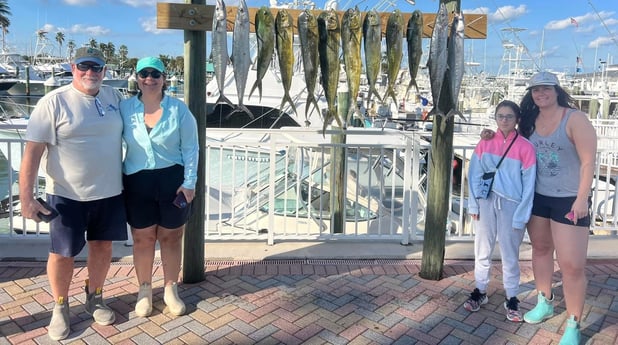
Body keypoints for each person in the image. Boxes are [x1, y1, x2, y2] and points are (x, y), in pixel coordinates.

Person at [18, 47, 127, 341]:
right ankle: (60, 306)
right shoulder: (53, 102)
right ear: (72, 67)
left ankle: (96, 296)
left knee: (103, 248)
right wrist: (26, 198)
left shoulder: (113, 97)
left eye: (97, 67)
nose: (90, 73)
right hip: (66, 195)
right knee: (63, 254)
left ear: (105, 71)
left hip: (110, 192)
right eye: (84, 66)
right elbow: (31, 154)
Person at [519, 72, 596, 345]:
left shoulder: (574, 119)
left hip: (569, 199)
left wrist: (582, 198)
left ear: (555, 90)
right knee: (540, 250)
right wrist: (490, 135)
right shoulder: (529, 121)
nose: (540, 94)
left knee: (572, 265)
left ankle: (574, 323)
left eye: (545, 89)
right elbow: (513, 145)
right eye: (535, 90)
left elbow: (588, 162)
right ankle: (545, 300)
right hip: (538, 197)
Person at [120, 57, 199, 317]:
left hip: (172, 182)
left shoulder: (179, 110)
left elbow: (190, 148)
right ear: (137, 77)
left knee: (171, 236)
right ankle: (144, 290)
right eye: (144, 73)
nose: (150, 79)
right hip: (137, 181)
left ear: (164, 78)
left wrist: (189, 183)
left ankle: (170, 289)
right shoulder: (125, 108)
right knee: (142, 238)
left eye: (156, 74)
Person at [464, 100, 536, 322]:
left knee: (509, 253)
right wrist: (474, 203)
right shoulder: (485, 142)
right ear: (495, 118)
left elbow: (529, 183)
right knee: (482, 248)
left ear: (517, 120)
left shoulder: (526, 146)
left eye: (509, 117)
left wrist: (522, 214)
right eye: (500, 116)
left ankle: (512, 295)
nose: (504, 120)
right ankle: (480, 290)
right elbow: (474, 173)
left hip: (512, 205)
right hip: (486, 202)